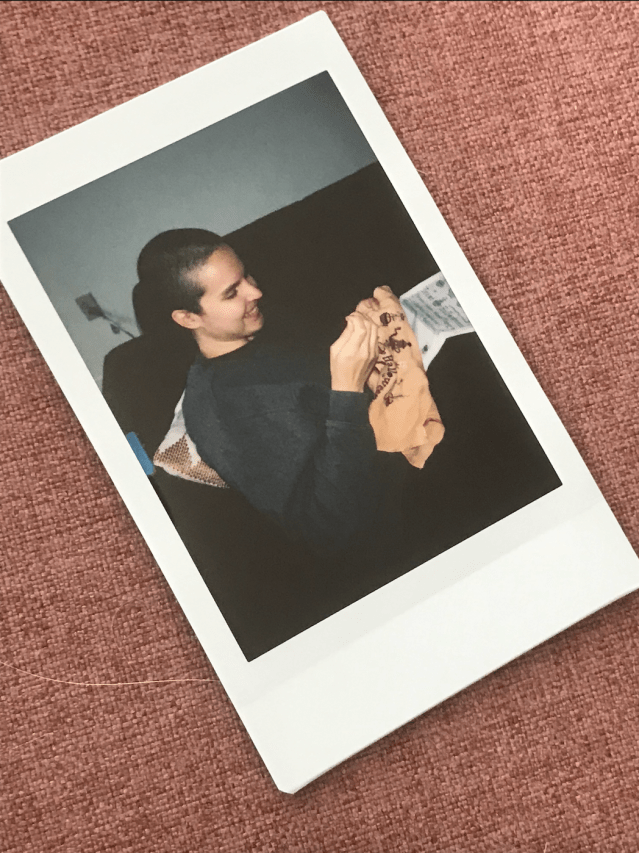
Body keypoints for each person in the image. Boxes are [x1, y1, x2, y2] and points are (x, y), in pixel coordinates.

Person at [134, 228, 411, 556]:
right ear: (188, 318)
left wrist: (365, 325)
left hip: (399, 410)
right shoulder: (228, 408)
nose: (255, 291)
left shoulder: (255, 327)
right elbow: (330, 525)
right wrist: (348, 388)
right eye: (232, 292)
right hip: (397, 502)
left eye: (246, 276)